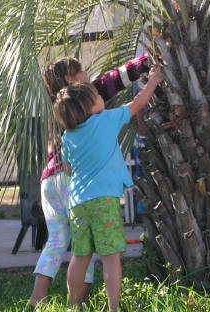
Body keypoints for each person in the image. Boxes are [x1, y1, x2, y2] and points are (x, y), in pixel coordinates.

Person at [29, 54, 150, 306]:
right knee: (98, 247)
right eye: (80, 70)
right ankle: (83, 300)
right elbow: (115, 79)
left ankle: (38, 298)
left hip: (50, 180)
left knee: (62, 242)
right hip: (79, 183)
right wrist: (146, 62)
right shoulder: (85, 98)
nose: (86, 74)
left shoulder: (61, 107)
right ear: (68, 78)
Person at [53, 67, 163, 312]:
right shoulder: (106, 120)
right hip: (104, 200)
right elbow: (138, 103)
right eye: (96, 97)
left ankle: (74, 306)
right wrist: (154, 79)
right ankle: (114, 307)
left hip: (78, 204)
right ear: (88, 107)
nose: (102, 97)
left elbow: (69, 170)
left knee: (80, 256)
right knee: (110, 256)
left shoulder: (68, 136)